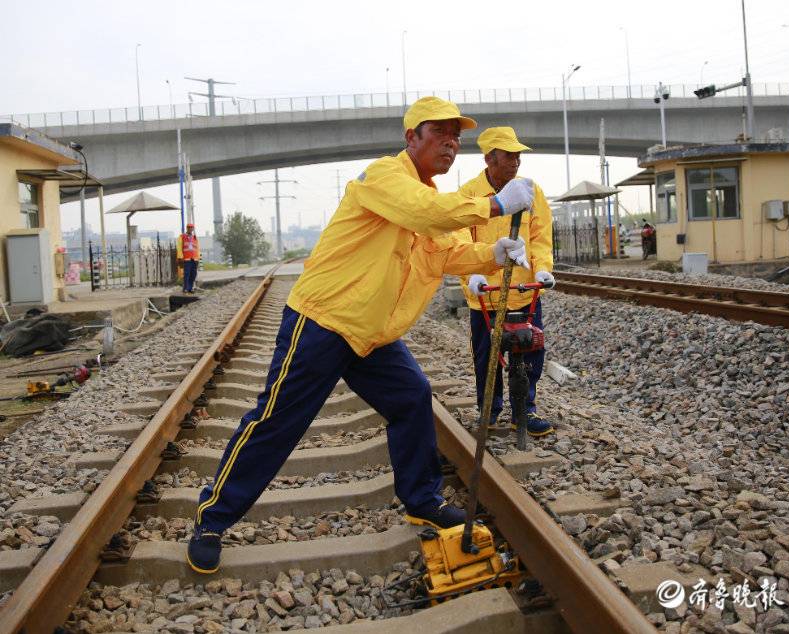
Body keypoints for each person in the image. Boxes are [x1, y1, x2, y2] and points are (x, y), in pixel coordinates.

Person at [186, 97, 534, 574]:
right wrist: (494, 203)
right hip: (324, 322)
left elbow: (449, 251)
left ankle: (421, 499)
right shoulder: (385, 179)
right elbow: (429, 215)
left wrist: (495, 252)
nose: (451, 144)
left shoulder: (432, 198)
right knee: (277, 421)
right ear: (412, 137)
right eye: (440, 133)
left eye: (457, 137)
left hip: (373, 333)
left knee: (412, 397)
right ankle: (212, 519)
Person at [454, 127, 555, 437]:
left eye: (518, 156)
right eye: (508, 156)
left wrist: (542, 268)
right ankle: (490, 410)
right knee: (487, 358)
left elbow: (540, 235)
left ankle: (525, 410)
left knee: (530, 350)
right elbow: (458, 238)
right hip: (485, 295)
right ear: (489, 159)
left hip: (524, 291)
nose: (515, 162)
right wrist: (472, 275)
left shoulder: (530, 191)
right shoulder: (469, 194)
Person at [177, 223, 201, 293]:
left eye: (191, 227)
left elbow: (197, 248)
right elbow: (179, 247)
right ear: (187, 228)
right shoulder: (182, 237)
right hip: (186, 259)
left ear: (193, 229)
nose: (190, 229)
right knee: (187, 274)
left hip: (194, 259)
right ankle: (185, 288)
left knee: (193, 274)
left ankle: (190, 288)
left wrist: (198, 258)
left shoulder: (195, 238)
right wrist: (180, 257)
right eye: (189, 227)